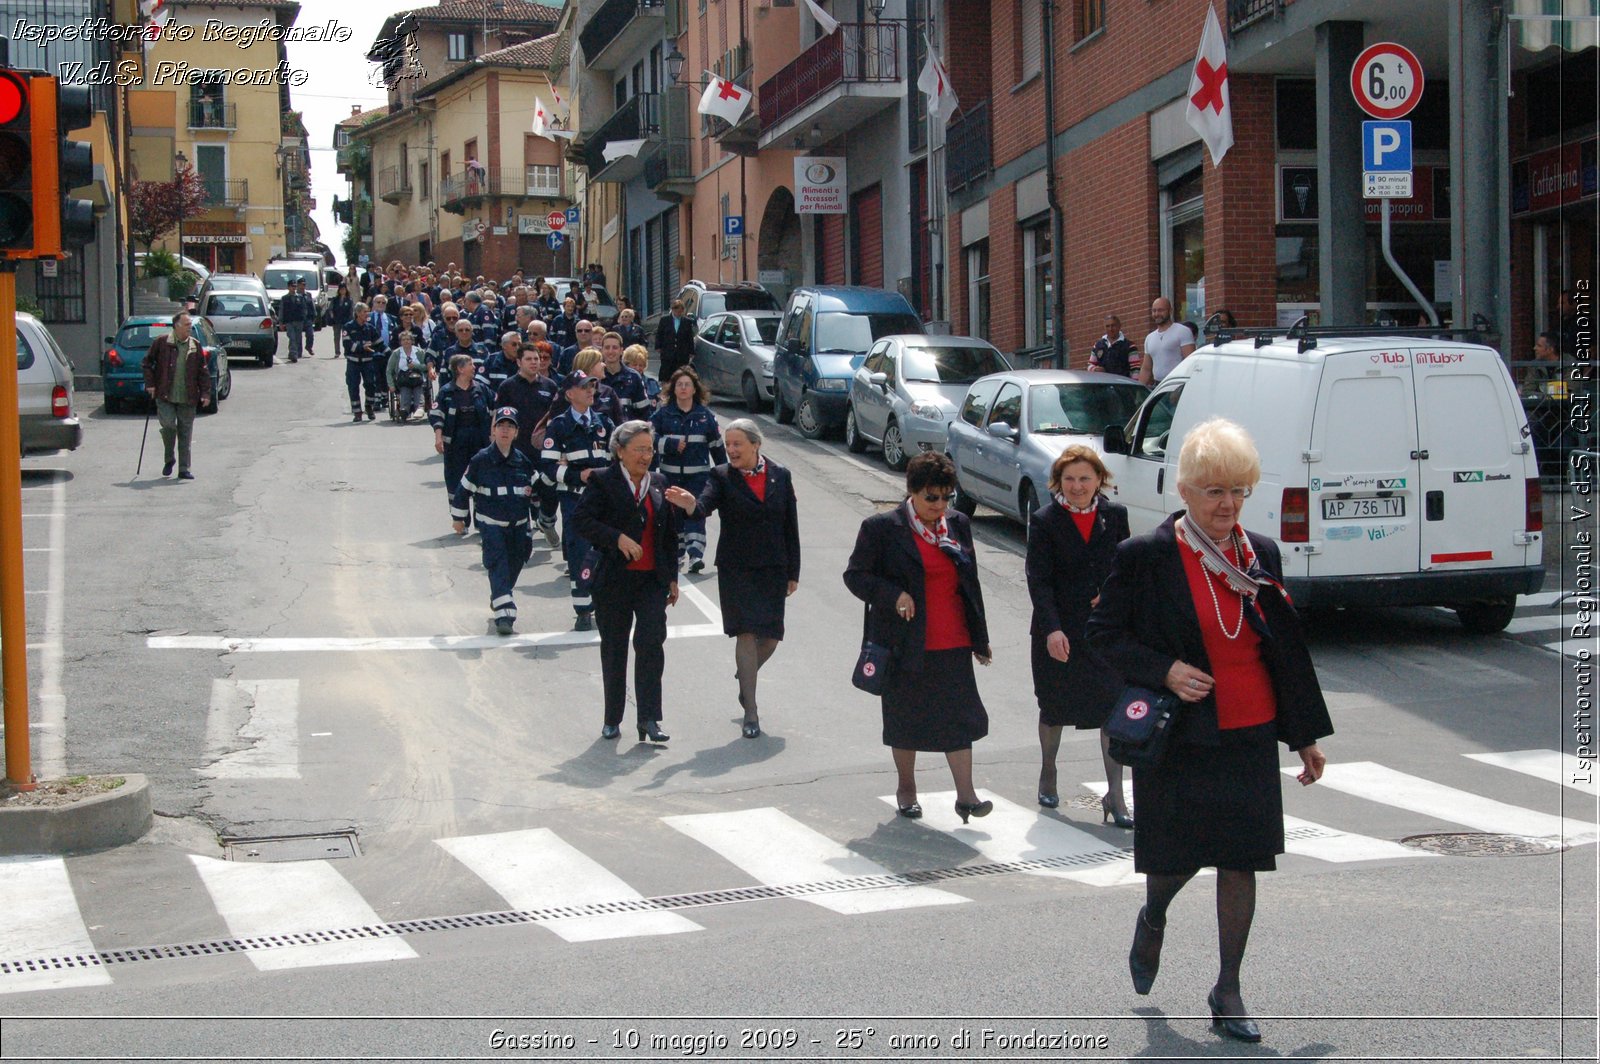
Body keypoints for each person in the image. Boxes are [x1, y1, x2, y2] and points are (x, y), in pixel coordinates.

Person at [1085, 417, 1331, 1043]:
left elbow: (1285, 652)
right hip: (1183, 735)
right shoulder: (1146, 555)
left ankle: (1228, 988)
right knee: (1177, 857)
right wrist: (1164, 669)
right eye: (1215, 491)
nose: (1228, 504)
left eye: (1238, 491)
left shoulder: (1260, 554)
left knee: (1242, 859)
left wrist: (1303, 734)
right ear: (1187, 492)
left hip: (1249, 730)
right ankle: (1154, 914)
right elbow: (1104, 635)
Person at [843, 452, 994, 823]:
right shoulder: (881, 528)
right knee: (905, 718)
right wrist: (894, 595)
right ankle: (906, 788)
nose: (939, 506)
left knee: (958, 719)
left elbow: (969, 585)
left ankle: (966, 795)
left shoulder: (957, 524)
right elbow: (856, 576)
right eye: (931, 497)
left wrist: (980, 639)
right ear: (911, 492)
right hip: (905, 642)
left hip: (953, 639)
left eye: (946, 497)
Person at [665, 418, 800, 738]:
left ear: (756, 445)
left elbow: (790, 526)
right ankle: (751, 711)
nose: (731, 450)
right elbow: (703, 506)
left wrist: (793, 572)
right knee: (745, 633)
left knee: (771, 637)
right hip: (736, 568)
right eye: (728, 445)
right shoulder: (721, 476)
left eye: (738, 444)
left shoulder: (781, 476)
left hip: (772, 567)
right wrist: (689, 505)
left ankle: (746, 676)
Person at [1025, 446, 1132, 821]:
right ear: (1058, 482)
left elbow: (1126, 567)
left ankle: (1115, 795)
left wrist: (1112, 592)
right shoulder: (1044, 520)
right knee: (1054, 707)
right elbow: (1039, 582)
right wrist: (1052, 630)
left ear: (1099, 480)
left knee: (1110, 709)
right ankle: (1049, 771)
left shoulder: (1114, 516)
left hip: (1103, 630)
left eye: (1085, 478)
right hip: (1058, 629)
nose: (1077, 486)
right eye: (1069, 479)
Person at [574, 420, 680, 742]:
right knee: (615, 649)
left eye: (649, 449)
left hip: (651, 582)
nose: (645, 456)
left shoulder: (659, 483)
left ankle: (649, 719)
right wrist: (616, 538)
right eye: (638, 450)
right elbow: (582, 520)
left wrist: (673, 578)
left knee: (650, 645)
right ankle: (612, 719)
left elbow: (669, 536)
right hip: (614, 581)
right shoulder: (603, 482)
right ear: (620, 452)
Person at [540, 370, 616, 631]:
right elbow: (548, 470)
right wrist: (577, 475)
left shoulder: (604, 423)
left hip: (604, 503)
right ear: (570, 394)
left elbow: (617, 460)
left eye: (592, 387)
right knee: (579, 555)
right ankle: (583, 609)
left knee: (607, 553)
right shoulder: (559, 426)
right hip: (575, 502)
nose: (590, 391)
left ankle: (605, 604)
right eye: (584, 387)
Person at [452, 408, 537, 635]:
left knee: (515, 563)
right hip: (491, 526)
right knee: (498, 564)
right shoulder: (481, 460)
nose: (505, 431)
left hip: (519, 526)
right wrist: (459, 518)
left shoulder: (523, 462)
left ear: (516, 432)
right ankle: (505, 615)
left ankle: (500, 595)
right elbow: (463, 490)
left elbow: (537, 491)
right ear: (494, 430)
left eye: (510, 427)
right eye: (501, 426)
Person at [651, 367, 725, 573]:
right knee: (674, 515)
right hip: (670, 476)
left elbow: (717, 447)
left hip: (698, 477)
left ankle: (695, 554)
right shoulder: (663, 414)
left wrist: (725, 473)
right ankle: (678, 551)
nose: (683, 389)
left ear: (695, 390)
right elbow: (648, 438)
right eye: (679, 385)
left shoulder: (705, 416)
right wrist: (669, 444)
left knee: (695, 512)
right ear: (673, 389)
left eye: (687, 385)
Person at [496, 342, 562, 547]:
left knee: (550, 490)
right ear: (518, 362)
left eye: (537, 359)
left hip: (544, 450)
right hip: (518, 449)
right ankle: (521, 533)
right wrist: (497, 441)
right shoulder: (508, 387)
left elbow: (556, 418)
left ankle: (547, 521)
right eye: (529, 359)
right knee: (520, 492)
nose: (535, 363)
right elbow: (499, 418)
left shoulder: (550, 386)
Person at [143, 310, 211, 480]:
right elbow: (147, 363)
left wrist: (205, 393)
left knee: (185, 432)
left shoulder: (194, 345)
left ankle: (184, 468)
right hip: (165, 395)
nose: (190, 327)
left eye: (190, 324)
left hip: (188, 397)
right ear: (177, 326)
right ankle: (169, 459)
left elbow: (203, 371)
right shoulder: (161, 343)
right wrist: (150, 384)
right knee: (168, 427)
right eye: (187, 324)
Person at [430, 353, 497, 520]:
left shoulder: (481, 389)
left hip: (479, 440)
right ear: (460, 369)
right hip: (456, 442)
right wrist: (438, 438)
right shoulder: (446, 392)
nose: (474, 368)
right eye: (470, 365)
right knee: (455, 480)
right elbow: (437, 415)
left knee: (481, 478)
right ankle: (460, 519)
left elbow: (497, 405)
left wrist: (493, 430)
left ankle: (481, 520)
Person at [1139, 296, 1196, 386]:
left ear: (1170, 311)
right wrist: (1139, 392)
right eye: (1154, 311)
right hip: (1158, 386)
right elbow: (1146, 369)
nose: (1157, 314)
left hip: (1177, 384)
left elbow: (1191, 362)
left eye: (1161, 310)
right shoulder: (1149, 338)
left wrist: (1182, 387)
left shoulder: (1182, 331)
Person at [599, 330, 653, 420]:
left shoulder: (634, 377)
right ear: (602, 350)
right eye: (607, 347)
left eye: (615, 347)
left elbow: (644, 413)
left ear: (621, 351)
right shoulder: (595, 376)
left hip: (627, 431)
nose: (611, 351)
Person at [342, 302, 382, 421]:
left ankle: (369, 406)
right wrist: (362, 347)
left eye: (367, 311)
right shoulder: (348, 327)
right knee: (353, 386)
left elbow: (379, 343)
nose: (367, 314)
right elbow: (347, 344)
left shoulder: (370, 327)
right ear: (358, 313)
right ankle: (357, 412)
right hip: (353, 362)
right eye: (365, 311)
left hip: (368, 361)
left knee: (370, 385)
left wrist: (388, 352)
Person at [386, 327, 429, 421]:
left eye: (408, 339)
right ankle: (405, 409)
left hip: (417, 377)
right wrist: (391, 385)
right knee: (405, 389)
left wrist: (416, 366)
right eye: (404, 340)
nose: (406, 341)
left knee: (419, 388)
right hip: (403, 378)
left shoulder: (419, 352)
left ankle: (420, 408)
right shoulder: (396, 353)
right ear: (400, 342)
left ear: (412, 341)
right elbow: (389, 370)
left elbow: (427, 366)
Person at [655, 298, 696, 384]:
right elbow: (659, 334)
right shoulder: (665, 320)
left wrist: (691, 351)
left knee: (680, 372)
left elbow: (689, 337)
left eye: (681, 311)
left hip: (682, 353)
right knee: (667, 374)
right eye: (677, 311)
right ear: (673, 310)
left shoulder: (687, 322)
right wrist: (658, 346)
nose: (678, 313)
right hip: (668, 351)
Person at [1087, 314, 1141, 378]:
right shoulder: (1098, 345)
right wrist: (1094, 369)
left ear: (1119, 326)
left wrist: (1133, 386)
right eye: (1107, 326)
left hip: (1122, 385)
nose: (1110, 329)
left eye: (1113, 325)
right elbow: (1090, 365)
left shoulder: (1130, 346)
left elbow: (1135, 370)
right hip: (1103, 385)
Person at [279, 278, 313, 364]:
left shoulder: (300, 297)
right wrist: (281, 322)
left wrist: (303, 318)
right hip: (289, 322)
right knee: (292, 338)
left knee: (298, 338)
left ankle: (293, 353)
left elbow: (304, 309)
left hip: (299, 321)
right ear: (288, 287)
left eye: (294, 286)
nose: (293, 288)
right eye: (292, 286)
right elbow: (281, 310)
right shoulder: (285, 298)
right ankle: (294, 354)